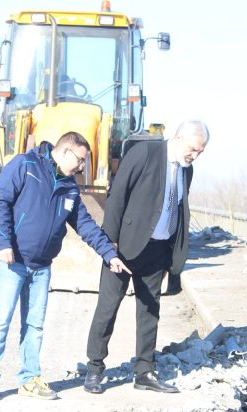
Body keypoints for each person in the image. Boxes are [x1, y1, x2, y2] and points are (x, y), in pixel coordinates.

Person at [0, 131, 130, 402]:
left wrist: (109, 254)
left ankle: (29, 379)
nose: (83, 167)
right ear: (65, 151)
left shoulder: (69, 187)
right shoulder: (25, 166)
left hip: (41, 266)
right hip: (12, 261)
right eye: (81, 160)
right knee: (0, 320)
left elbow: (85, 226)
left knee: (34, 324)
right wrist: (4, 243)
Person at [83, 120, 210, 394]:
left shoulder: (187, 171)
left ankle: (144, 371)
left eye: (200, 152)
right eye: (193, 149)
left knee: (150, 312)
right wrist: (109, 242)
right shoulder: (145, 153)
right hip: (124, 248)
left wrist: (171, 256)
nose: (195, 155)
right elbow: (117, 195)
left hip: (157, 250)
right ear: (178, 138)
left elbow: (178, 208)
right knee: (107, 309)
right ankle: (94, 369)